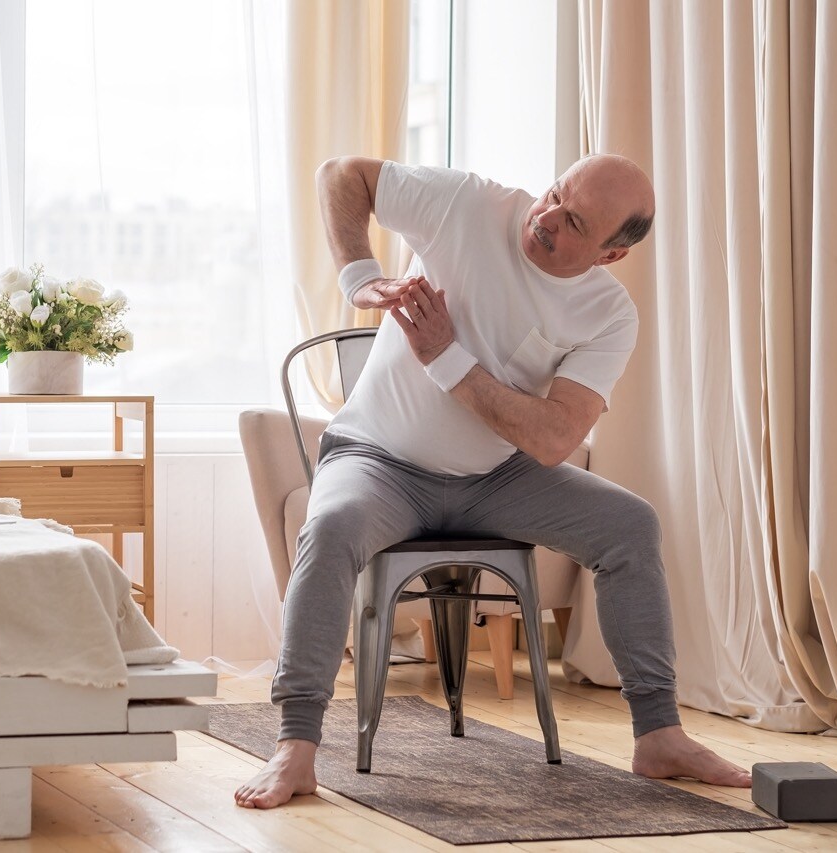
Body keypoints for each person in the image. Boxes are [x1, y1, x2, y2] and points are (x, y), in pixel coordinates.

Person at [235, 154, 753, 810]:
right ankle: (296, 745)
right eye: (554, 195)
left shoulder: (607, 316)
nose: (545, 220)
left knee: (631, 524)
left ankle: (659, 733)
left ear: (610, 255)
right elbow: (341, 174)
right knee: (330, 524)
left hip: (495, 478)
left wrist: (447, 359)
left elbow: (553, 438)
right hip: (379, 460)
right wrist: (360, 272)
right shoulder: (468, 206)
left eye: (573, 223)